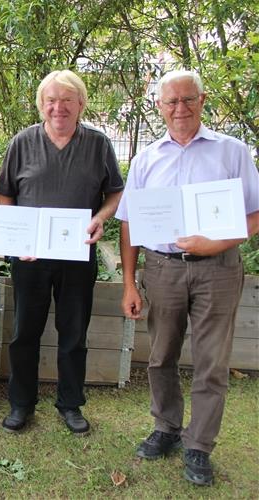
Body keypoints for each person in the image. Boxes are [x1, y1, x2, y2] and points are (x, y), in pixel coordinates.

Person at [117, 70, 259, 486]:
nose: (180, 108)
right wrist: (129, 282)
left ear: (202, 100)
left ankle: (199, 445)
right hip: (162, 270)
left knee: (212, 363)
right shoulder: (146, 159)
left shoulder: (231, 152)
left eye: (188, 100)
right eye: (171, 101)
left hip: (218, 269)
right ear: (159, 106)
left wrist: (212, 244)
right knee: (160, 356)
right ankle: (166, 428)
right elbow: (129, 224)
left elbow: (254, 214)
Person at [0, 70, 123, 435]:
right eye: (51, 100)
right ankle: (21, 404)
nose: (59, 107)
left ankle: (70, 404)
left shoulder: (98, 145)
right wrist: (16, 241)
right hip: (30, 259)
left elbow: (115, 192)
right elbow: (5, 194)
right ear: (41, 105)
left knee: (73, 334)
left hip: (78, 255)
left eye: (67, 99)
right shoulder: (23, 142)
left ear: (81, 103)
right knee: (24, 334)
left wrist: (100, 217)